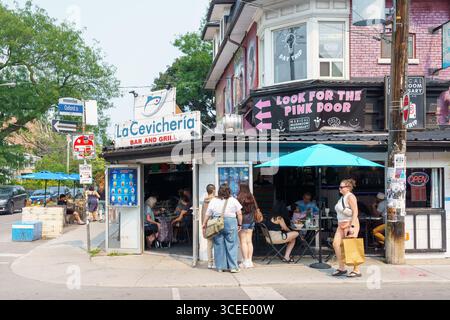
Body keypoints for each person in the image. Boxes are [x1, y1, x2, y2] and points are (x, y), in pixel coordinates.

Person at [202, 184, 243, 273]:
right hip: (231, 222)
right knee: (231, 245)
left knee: (218, 245)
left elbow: (208, 214)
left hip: (217, 223)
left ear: (219, 191)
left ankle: (220, 267)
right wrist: (240, 224)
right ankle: (233, 267)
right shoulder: (233, 200)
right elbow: (239, 214)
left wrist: (204, 223)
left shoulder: (213, 201)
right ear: (229, 191)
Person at [332, 179, 361, 278]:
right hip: (341, 224)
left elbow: (355, 212)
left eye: (341, 187)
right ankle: (342, 267)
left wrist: (352, 226)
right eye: (339, 187)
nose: (339, 188)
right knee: (336, 244)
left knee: (351, 246)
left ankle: (356, 270)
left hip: (349, 224)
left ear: (348, 188)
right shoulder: (342, 198)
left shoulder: (350, 196)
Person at [237, 184, 257, 269]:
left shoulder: (239, 198)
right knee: (249, 241)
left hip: (243, 221)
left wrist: (239, 223)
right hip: (251, 221)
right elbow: (256, 208)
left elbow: (238, 211)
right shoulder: (252, 197)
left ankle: (245, 261)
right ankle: (250, 261)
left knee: (243, 242)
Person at [201, 184, 216, 269]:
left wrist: (203, 225)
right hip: (215, 224)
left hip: (207, 224)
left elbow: (203, 214)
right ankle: (216, 262)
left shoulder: (204, 201)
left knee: (209, 244)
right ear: (213, 190)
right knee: (217, 243)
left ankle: (210, 263)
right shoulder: (216, 200)